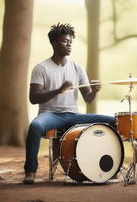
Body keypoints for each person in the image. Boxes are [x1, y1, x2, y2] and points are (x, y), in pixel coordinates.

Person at [23, 23, 116, 184]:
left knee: (113, 121)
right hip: (50, 115)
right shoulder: (41, 68)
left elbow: (87, 98)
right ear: (54, 43)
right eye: (65, 41)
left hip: (73, 115)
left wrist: (94, 91)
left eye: (71, 41)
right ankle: (30, 171)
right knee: (35, 126)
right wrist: (58, 90)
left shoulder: (77, 68)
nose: (69, 44)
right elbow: (33, 97)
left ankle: (111, 168)